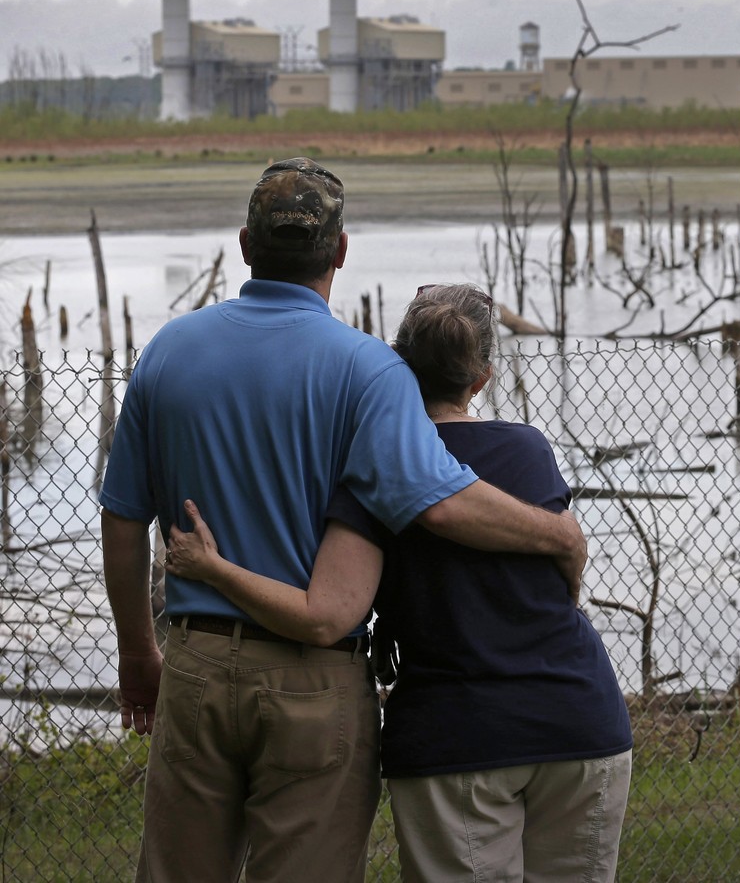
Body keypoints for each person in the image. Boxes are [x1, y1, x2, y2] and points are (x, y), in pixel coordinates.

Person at [99, 160, 586, 883]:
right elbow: (445, 502)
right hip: (313, 680)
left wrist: (139, 653)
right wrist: (558, 534)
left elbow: (122, 517)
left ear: (244, 244)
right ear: (341, 251)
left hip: (196, 665)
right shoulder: (368, 370)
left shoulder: (169, 351)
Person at [167, 282, 633, 883]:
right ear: (483, 377)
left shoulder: (371, 468)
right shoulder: (528, 450)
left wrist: (214, 569)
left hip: (458, 738)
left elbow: (324, 615)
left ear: (397, 364)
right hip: (582, 720)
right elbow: (566, 556)